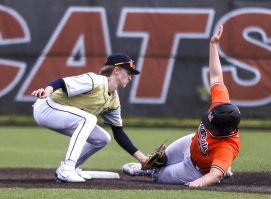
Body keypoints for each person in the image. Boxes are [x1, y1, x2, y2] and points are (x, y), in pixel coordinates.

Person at [122, 25, 241, 187]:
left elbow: (213, 176)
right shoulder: (221, 105)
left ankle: (150, 172)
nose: (207, 121)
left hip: (196, 169)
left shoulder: (227, 147)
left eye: (211, 123)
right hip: (190, 143)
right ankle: (222, 168)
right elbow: (216, 77)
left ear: (223, 130)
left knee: (159, 176)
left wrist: (198, 183)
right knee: (158, 159)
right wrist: (213, 45)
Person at [32, 53, 149, 183]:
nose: (130, 77)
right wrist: (47, 91)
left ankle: (70, 168)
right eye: (128, 72)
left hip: (64, 116)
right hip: (47, 107)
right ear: (116, 70)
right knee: (88, 119)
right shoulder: (95, 81)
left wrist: (142, 159)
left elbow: (118, 133)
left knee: (103, 138)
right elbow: (60, 82)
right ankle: (67, 169)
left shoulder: (114, 101)